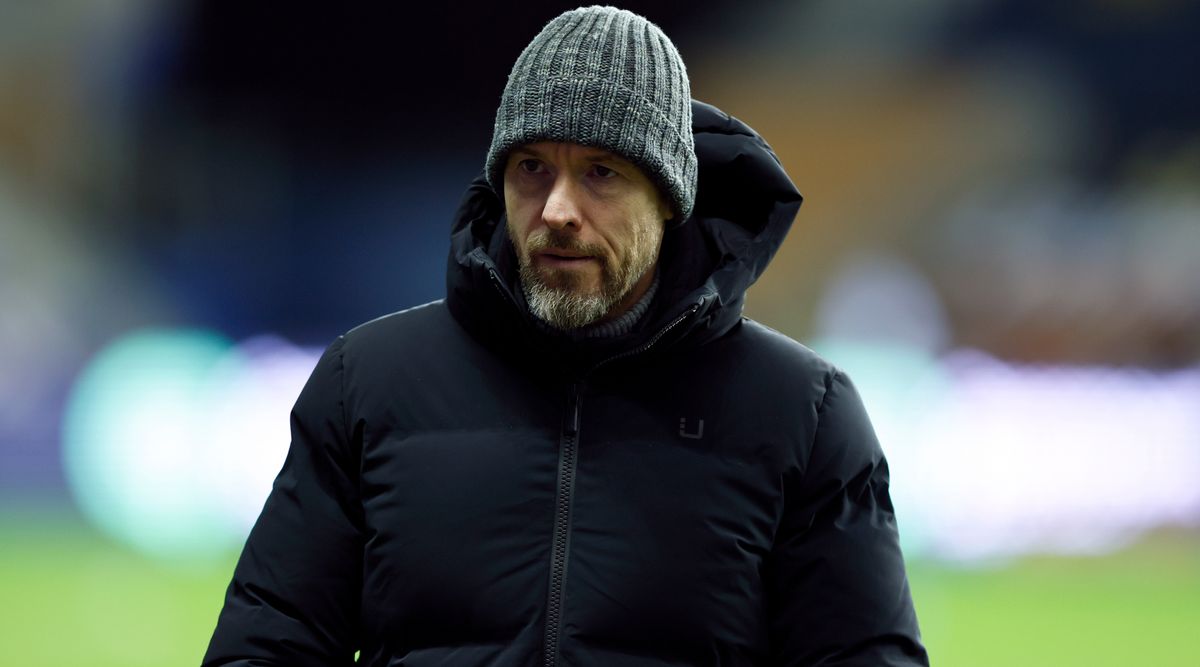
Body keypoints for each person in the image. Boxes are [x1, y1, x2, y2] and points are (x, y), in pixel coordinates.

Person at [203, 6, 928, 666]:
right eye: (532, 168)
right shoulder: (366, 384)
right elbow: (266, 646)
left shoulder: (802, 414)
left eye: (601, 173)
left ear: (669, 199)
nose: (557, 208)